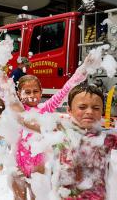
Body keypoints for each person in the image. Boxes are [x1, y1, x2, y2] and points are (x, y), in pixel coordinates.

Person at [12, 54, 94, 199]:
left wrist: (81, 71)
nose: (32, 95)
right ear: (19, 94)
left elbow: (64, 91)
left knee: (37, 195)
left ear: (41, 93)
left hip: (38, 164)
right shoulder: (18, 111)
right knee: (19, 197)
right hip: (18, 163)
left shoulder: (45, 109)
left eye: (35, 91)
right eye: (27, 92)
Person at [53, 83, 117, 199]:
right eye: (82, 107)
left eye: (96, 108)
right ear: (69, 110)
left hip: (97, 196)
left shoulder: (107, 138)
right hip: (66, 196)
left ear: (102, 112)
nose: (89, 112)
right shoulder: (61, 134)